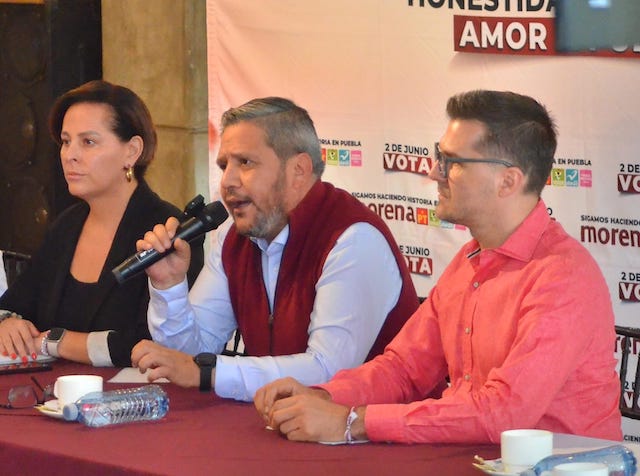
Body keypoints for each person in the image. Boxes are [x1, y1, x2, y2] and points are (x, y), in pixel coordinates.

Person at [254, 90, 622, 444]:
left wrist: (353, 422)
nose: (434, 172)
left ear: (508, 181)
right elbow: (403, 369)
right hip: (475, 459)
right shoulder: (469, 261)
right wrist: (323, 396)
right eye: (438, 156)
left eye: (453, 162)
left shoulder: (563, 277)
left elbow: (504, 413)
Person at [131, 96, 422, 402]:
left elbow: (329, 373)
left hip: (377, 426)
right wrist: (169, 288)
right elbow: (188, 357)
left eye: (245, 163)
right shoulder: (233, 237)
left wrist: (209, 372)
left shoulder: (352, 238)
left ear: (298, 170)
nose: (227, 181)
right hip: (286, 420)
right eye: (224, 165)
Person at [0, 80, 204, 367]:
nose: (69, 155)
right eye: (66, 141)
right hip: (53, 390)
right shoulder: (67, 224)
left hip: (135, 392)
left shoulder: (169, 231)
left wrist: (55, 341)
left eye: (88, 142)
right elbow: (16, 303)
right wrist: (8, 323)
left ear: (131, 151)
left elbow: (151, 345)